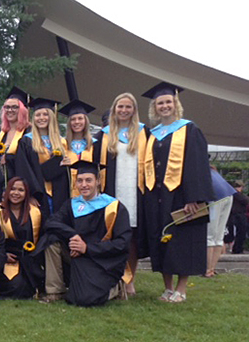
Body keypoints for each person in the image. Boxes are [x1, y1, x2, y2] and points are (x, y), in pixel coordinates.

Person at [142, 82, 213, 303]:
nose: (164, 106)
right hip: (157, 196)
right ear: (155, 107)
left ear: (175, 104)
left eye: (168, 102)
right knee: (161, 238)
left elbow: (198, 165)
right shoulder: (152, 134)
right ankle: (167, 287)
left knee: (181, 241)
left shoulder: (189, 129)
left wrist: (195, 197)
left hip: (181, 196)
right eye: (160, 103)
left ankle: (181, 288)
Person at [46, 160, 131, 307]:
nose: (84, 185)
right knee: (51, 240)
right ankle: (55, 290)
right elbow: (51, 222)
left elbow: (122, 243)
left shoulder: (114, 207)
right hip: (77, 255)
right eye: (80, 181)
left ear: (98, 181)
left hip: (102, 260)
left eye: (88, 180)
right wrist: (73, 235)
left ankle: (115, 287)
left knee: (84, 299)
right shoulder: (72, 204)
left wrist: (87, 248)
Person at [93, 93, 149, 296]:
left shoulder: (144, 133)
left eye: (128, 107)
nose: (124, 110)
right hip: (111, 191)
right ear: (114, 109)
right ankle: (113, 277)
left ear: (134, 110)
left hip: (136, 193)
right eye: (120, 107)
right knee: (111, 235)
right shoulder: (104, 135)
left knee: (132, 237)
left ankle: (129, 280)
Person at [0, 177, 48, 299]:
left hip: (32, 258)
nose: (16, 193)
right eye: (12, 189)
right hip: (9, 259)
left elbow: (44, 236)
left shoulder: (36, 212)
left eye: (21, 190)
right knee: (16, 286)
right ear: (6, 191)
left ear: (26, 193)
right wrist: (3, 254)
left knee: (28, 285)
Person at [16, 97, 67, 215]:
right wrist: (30, 195)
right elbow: (23, 170)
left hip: (59, 193)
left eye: (45, 114)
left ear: (51, 117)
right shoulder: (26, 141)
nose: (42, 118)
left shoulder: (62, 142)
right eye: (38, 115)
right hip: (38, 195)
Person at [0, 86, 31, 201]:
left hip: (20, 188)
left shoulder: (28, 132)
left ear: (22, 110)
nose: (10, 110)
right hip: (1, 186)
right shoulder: (1, 133)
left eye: (15, 107)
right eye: (7, 107)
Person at [58, 99, 95, 198]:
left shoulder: (94, 144)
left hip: (90, 194)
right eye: (73, 119)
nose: (77, 122)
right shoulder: (62, 144)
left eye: (80, 118)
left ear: (85, 121)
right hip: (66, 193)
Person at [205, 167, 235, 277]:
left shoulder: (196, 168)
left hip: (215, 197)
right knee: (218, 235)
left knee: (209, 235)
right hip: (228, 194)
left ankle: (207, 270)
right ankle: (212, 269)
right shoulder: (212, 170)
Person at [229, 181, 249, 254]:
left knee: (241, 233)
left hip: (238, 215)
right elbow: (246, 200)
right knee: (240, 232)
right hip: (238, 215)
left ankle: (238, 248)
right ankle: (237, 249)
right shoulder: (236, 194)